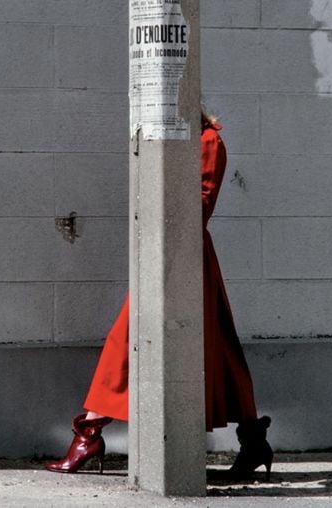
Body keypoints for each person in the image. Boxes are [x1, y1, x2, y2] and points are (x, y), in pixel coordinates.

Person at [46, 110, 272, 480]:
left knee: (138, 337)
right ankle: (252, 442)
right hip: (165, 250)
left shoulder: (208, 140)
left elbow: (201, 203)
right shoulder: (170, 138)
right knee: (211, 346)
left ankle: (91, 432)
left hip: (185, 253)